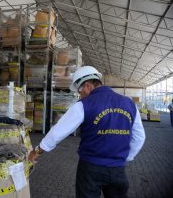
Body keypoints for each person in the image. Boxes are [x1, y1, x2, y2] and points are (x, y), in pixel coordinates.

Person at [29, 66, 146, 198]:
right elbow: (139, 137)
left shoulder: (84, 105)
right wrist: (125, 157)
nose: (80, 95)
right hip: (118, 170)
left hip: (91, 169)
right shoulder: (129, 103)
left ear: (88, 86)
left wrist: (37, 151)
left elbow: (57, 132)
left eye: (80, 91)